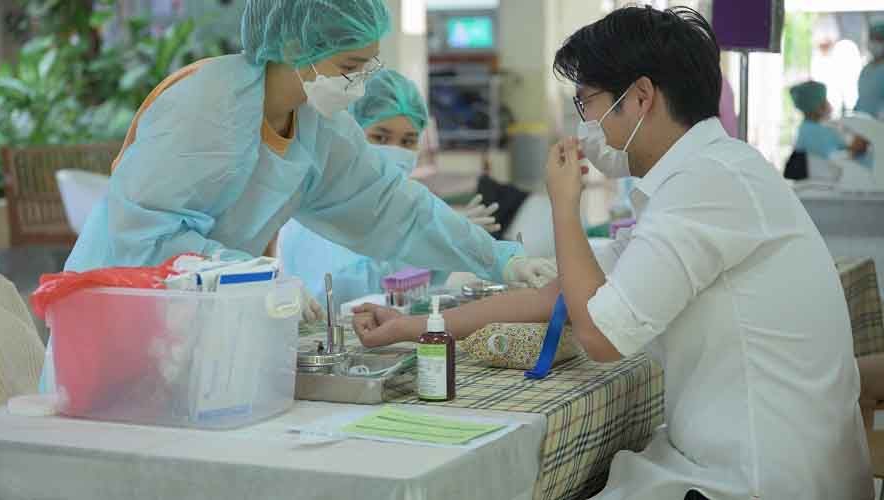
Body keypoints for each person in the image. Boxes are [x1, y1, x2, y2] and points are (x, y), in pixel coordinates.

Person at [353, 6, 873, 499]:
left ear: (641, 97)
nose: (584, 124)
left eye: (588, 103)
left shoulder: (707, 183)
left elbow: (600, 335)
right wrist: (412, 327)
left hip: (753, 479)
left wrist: (564, 206)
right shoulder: (710, 173)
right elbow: (562, 295)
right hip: (747, 460)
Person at [39, 0, 555, 393]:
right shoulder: (206, 108)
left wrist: (499, 260)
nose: (360, 83)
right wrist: (257, 275)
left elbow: (391, 207)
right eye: (352, 65)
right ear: (296, 47)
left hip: (198, 334)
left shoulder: (315, 123)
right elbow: (146, 239)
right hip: (117, 323)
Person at [277, 69, 500, 306]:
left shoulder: (402, 202)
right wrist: (427, 245)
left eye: (407, 141)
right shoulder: (321, 202)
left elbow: (421, 290)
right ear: (350, 134)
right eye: (380, 138)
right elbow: (337, 293)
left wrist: (449, 242)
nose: (395, 150)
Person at [790, 80, 868, 165]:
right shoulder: (813, 132)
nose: (829, 105)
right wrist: (854, 151)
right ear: (818, 108)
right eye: (825, 100)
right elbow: (833, 159)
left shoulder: (810, 128)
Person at [856, 22, 884, 119]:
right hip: (863, 124)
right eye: (872, 39)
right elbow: (862, 99)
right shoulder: (866, 70)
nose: (874, 43)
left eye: (879, 40)